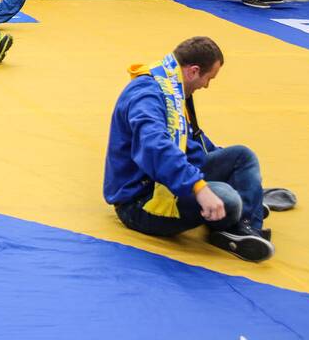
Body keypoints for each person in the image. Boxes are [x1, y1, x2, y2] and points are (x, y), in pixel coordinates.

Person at [104, 36, 274, 262]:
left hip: (164, 178)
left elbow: (191, 140)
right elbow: (156, 148)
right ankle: (238, 209)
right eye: (208, 79)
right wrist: (199, 189)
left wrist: (230, 170)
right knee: (228, 199)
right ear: (193, 71)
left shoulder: (171, 85)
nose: (206, 86)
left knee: (242, 156)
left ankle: (246, 224)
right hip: (140, 201)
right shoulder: (147, 96)